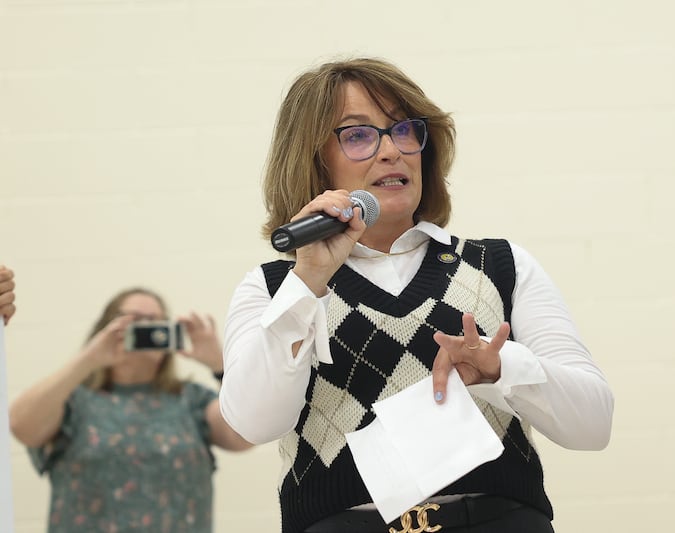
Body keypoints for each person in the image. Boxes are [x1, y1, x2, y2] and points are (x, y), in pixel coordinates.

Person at [220, 57, 614, 533]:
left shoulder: (500, 266)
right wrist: (307, 282)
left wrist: (501, 367)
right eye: (359, 135)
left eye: (404, 130)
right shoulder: (274, 288)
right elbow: (254, 422)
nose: (392, 152)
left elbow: (593, 423)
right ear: (312, 157)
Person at [9, 287, 252, 533]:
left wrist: (221, 365)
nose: (147, 328)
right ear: (106, 328)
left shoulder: (190, 400)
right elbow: (20, 424)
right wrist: (90, 358)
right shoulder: (73, 402)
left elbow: (246, 435)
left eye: (156, 322)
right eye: (134, 321)